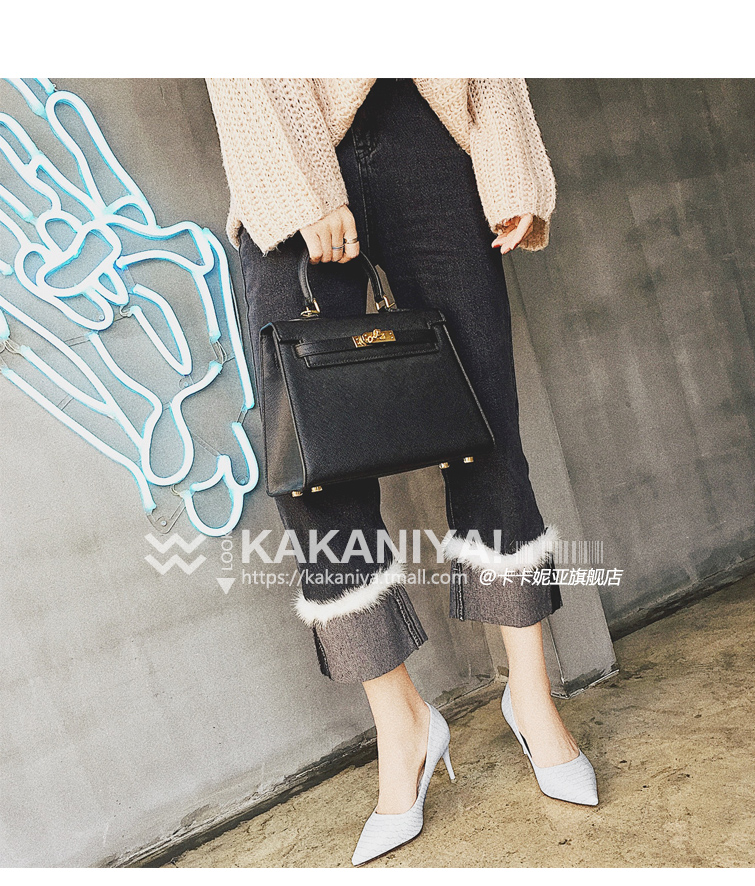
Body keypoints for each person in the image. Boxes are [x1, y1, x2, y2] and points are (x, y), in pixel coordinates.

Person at [206, 77, 599, 866]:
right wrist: (302, 188)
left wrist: (509, 168)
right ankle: (404, 727)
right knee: (312, 477)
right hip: (288, 139)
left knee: (487, 432)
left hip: (430, 129)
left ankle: (531, 698)